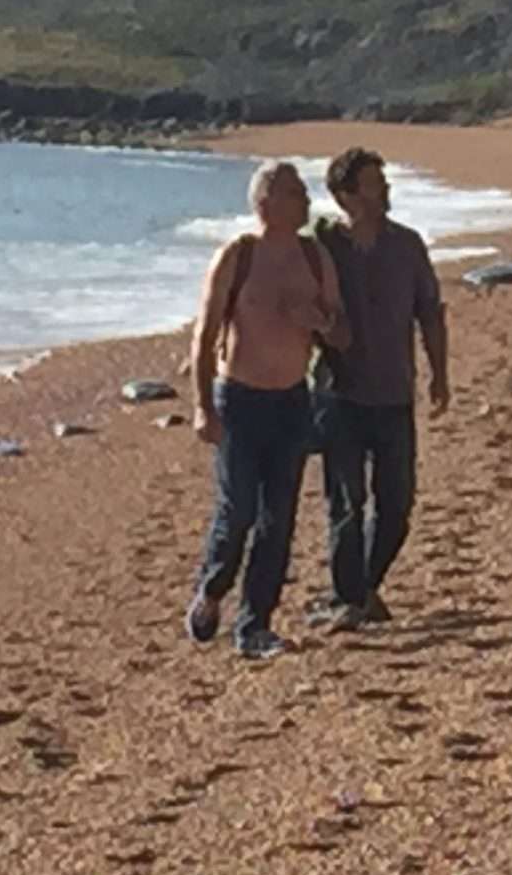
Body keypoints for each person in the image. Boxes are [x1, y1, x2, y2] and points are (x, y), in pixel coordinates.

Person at [185, 160, 347, 659]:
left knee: (279, 518)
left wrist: (315, 321)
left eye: (303, 191)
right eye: (295, 193)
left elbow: (342, 334)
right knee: (239, 511)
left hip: (292, 402)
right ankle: (213, 589)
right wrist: (201, 407)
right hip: (239, 400)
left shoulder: (314, 257)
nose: (305, 201)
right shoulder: (239, 256)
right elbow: (205, 334)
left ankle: (255, 626)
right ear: (265, 204)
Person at [307, 148, 451, 631]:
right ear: (345, 196)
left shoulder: (407, 246)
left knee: (398, 506)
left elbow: (429, 312)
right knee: (346, 501)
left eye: (384, 182)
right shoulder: (323, 247)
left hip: (394, 392)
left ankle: (361, 588)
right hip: (338, 394)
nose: (385, 191)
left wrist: (440, 375)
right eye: (373, 184)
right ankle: (349, 598)